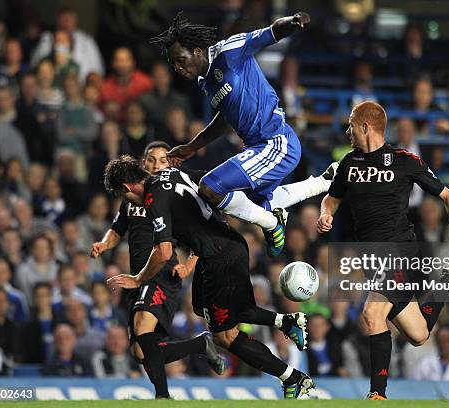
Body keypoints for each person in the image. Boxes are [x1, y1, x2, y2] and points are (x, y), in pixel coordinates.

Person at [104, 156, 315, 399]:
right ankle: (286, 322)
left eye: (124, 197)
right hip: (224, 248)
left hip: (220, 259)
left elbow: (163, 252)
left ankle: (293, 378)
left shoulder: (153, 198)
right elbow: (214, 187)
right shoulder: (173, 173)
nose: (130, 201)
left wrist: (139, 278)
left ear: (126, 187)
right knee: (201, 307)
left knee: (225, 336)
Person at [317, 101, 449, 400]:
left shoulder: (404, 160)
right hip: (372, 258)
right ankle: (445, 283)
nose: (347, 130)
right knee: (418, 335)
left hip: (400, 250)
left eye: (351, 124)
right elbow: (332, 198)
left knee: (372, 312)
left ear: (365, 126)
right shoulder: (350, 164)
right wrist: (326, 214)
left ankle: (378, 394)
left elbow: (448, 194)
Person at [154, 11, 335, 257]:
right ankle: (322, 182)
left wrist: (292, 22)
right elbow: (224, 120)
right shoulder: (204, 81)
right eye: (173, 64)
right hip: (258, 148)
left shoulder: (230, 51)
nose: (177, 67)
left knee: (209, 188)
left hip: (276, 143)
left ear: (197, 51)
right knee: (261, 203)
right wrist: (191, 147)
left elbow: (271, 32)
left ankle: (272, 223)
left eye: (180, 59)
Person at [91, 142, 225, 398]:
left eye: (162, 160)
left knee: (142, 328)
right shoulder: (131, 202)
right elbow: (118, 229)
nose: (155, 165)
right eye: (150, 160)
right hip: (138, 275)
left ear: (169, 164)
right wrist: (104, 243)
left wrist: (189, 264)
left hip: (161, 272)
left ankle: (162, 397)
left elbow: (202, 234)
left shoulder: (169, 196)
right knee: (142, 351)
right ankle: (200, 343)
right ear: (143, 164)